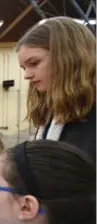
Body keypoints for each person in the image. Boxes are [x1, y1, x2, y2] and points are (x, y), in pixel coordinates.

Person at [17, 16, 95, 163]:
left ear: (68, 58)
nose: (27, 75)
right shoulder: (51, 117)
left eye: (34, 63)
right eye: (24, 68)